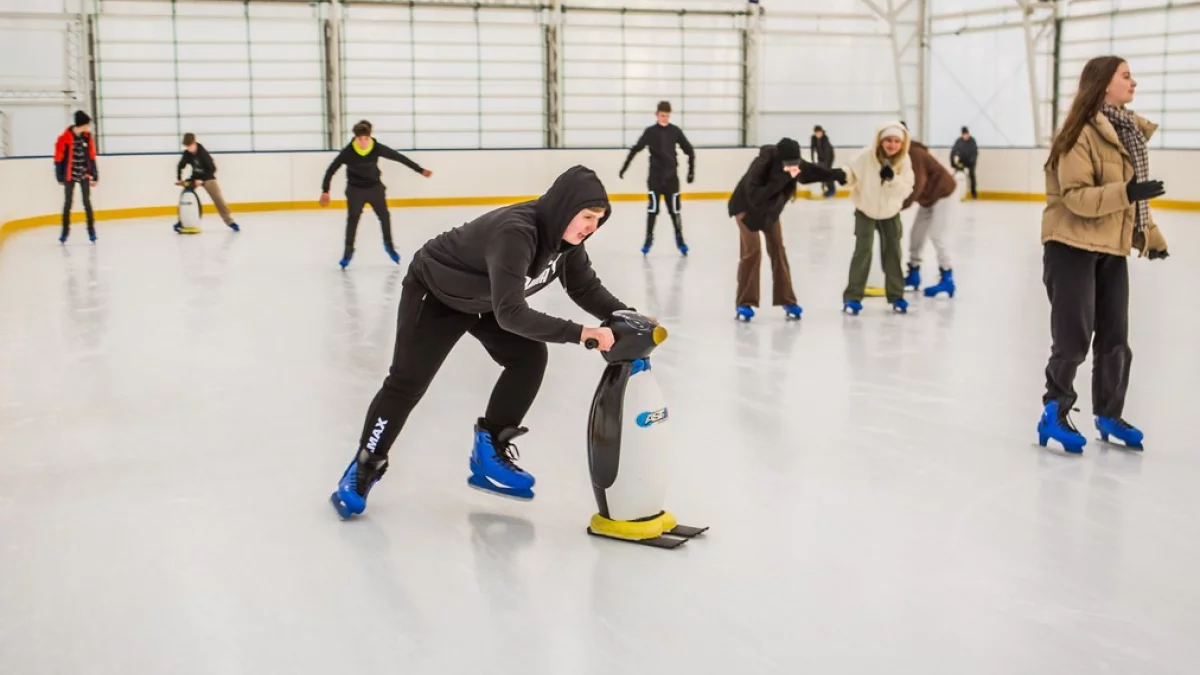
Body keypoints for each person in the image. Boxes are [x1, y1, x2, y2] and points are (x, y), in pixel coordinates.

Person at [329, 165, 632, 518]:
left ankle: (490, 451)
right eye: (587, 216)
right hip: (437, 293)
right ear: (565, 208)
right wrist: (582, 334)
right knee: (406, 384)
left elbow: (584, 288)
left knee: (528, 357)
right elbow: (512, 315)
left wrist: (627, 315)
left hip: (484, 300)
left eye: (599, 219)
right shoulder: (517, 233)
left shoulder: (565, 243)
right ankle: (364, 466)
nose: (592, 227)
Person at [1036, 55, 1168, 455]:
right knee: (1074, 338)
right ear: (1103, 83)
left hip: (1110, 247)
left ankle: (1109, 414)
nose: (1134, 82)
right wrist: (1127, 193)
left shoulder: (1124, 132)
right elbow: (1075, 198)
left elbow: (1129, 204)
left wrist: (1152, 238)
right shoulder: (1078, 133)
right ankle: (1054, 412)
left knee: (1115, 338)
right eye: (1126, 76)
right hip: (1070, 245)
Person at [726, 137, 843, 322]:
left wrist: (837, 174)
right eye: (788, 165)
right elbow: (755, 196)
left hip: (769, 212)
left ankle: (787, 300)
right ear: (779, 161)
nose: (792, 168)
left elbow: (812, 172)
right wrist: (783, 179)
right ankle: (744, 302)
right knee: (753, 252)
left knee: (778, 250)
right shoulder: (761, 164)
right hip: (745, 209)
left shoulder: (795, 164)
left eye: (795, 164)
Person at [320, 120, 432, 268]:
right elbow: (331, 170)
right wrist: (325, 190)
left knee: (384, 216)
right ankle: (348, 252)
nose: (363, 142)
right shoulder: (348, 152)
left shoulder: (377, 148)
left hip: (375, 188)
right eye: (360, 139)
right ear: (355, 138)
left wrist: (420, 170)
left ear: (369, 137)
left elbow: (399, 157)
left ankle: (389, 246)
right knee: (353, 219)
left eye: (366, 139)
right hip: (355, 190)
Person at [840, 122, 915, 315]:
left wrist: (893, 179)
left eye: (897, 141)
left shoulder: (904, 161)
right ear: (880, 141)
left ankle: (897, 296)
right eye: (888, 140)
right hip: (865, 209)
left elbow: (907, 188)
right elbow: (851, 172)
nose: (892, 145)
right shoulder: (865, 156)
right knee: (862, 251)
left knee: (893, 252)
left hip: (890, 213)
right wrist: (843, 176)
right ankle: (852, 297)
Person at [618, 101, 695, 256]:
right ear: (656, 114)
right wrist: (624, 167)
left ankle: (680, 239)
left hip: (672, 179)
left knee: (674, 211)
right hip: (655, 179)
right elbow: (636, 149)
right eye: (662, 115)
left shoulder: (675, 131)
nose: (664, 118)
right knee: (653, 210)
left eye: (667, 115)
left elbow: (689, 150)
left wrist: (690, 171)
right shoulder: (650, 132)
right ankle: (648, 238)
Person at [902, 128, 959, 298]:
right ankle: (913, 274)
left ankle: (947, 278)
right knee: (916, 235)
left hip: (944, 194)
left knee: (937, 235)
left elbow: (918, 183)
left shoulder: (913, 153)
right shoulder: (898, 156)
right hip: (928, 199)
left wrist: (899, 206)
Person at [175, 133, 240, 232]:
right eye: (187, 146)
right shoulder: (187, 153)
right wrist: (179, 178)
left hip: (208, 178)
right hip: (195, 177)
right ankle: (181, 221)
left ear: (194, 142)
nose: (189, 148)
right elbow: (180, 165)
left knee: (218, 199)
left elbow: (213, 169)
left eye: (190, 146)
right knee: (185, 195)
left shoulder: (203, 153)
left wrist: (202, 181)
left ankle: (230, 221)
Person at [54, 110, 98, 244]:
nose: (88, 127)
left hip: (84, 174)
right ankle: (64, 232)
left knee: (87, 202)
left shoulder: (87, 137)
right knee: (68, 203)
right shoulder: (64, 138)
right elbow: (58, 159)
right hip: (69, 175)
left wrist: (94, 175)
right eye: (87, 125)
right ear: (81, 124)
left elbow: (91, 156)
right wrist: (60, 176)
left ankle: (91, 231)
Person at [951, 126, 979, 200]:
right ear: (962, 135)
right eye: (964, 135)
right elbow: (953, 151)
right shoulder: (959, 141)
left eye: (967, 134)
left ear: (968, 134)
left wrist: (972, 161)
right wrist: (953, 163)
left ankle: (974, 193)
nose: (965, 136)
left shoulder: (972, 141)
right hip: (961, 162)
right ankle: (956, 192)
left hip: (970, 162)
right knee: (957, 175)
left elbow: (975, 152)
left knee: (972, 175)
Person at [810, 125, 836, 198]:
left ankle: (832, 190)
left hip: (829, 157)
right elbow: (812, 148)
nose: (818, 134)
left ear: (822, 132)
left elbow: (827, 152)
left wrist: (826, 165)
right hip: (820, 158)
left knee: (827, 172)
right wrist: (813, 160)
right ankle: (825, 189)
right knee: (821, 174)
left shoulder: (825, 138)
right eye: (816, 133)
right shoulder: (813, 138)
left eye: (820, 132)